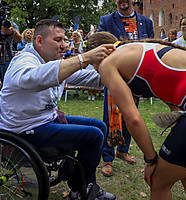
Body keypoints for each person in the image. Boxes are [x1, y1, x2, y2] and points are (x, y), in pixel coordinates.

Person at [0, 19, 116, 200]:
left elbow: (85, 77)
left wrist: (116, 69)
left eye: (65, 40)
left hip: (45, 120)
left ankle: (76, 178)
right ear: (39, 41)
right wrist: (84, 58)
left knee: (99, 126)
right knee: (94, 135)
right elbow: (31, 78)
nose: (64, 45)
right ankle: (81, 188)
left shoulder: (50, 59)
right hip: (26, 129)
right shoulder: (24, 60)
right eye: (58, 40)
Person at [87, 31, 186, 200]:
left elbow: (133, 118)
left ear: (99, 52)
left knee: (158, 181)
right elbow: (175, 98)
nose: (94, 69)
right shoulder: (136, 50)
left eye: (91, 61)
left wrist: (151, 160)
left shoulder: (107, 63)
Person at [98, 0, 154, 177]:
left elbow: (151, 48)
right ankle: (107, 158)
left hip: (135, 77)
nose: (123, 1)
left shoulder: (147, 22)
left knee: (131, 116)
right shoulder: (106, 21)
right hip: (115, 75)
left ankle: (123, 150)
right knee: (110, 117)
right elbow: (100, 46)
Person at [0, 0, 22, 83]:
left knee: (8, 84)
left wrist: (12, 32)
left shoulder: (10, 24)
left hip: (7, 59)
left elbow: (19, 40)